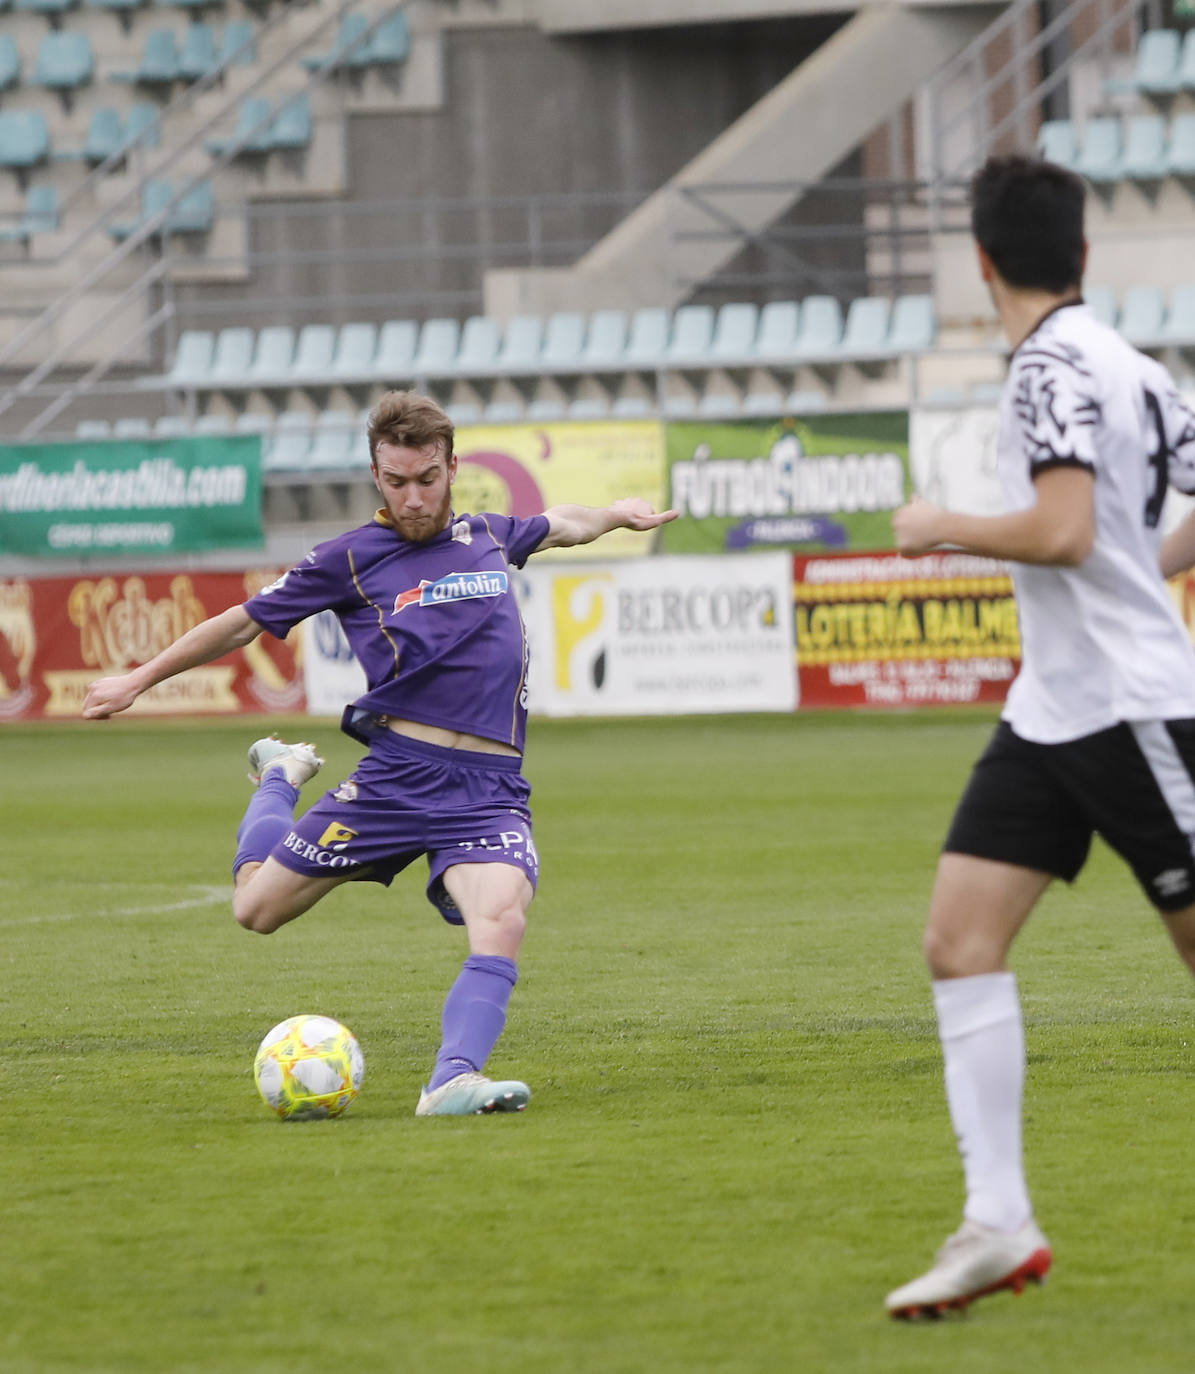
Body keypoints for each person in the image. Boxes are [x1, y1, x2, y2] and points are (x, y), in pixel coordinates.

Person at [82, 389, 677, 1117]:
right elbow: (239, 625)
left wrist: (615, 514)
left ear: (452, 467)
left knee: (502, 920)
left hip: (486, 789)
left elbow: (563, 525)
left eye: (427, 479)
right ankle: (278, 778)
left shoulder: (487, 533)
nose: (414, 497)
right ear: (376, 476)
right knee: (254, 910)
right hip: (397, 780)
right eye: (396, 482)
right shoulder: (349, 559)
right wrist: (140, 679)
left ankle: (451, 1080)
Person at [885, 154, 1195, 1317]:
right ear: (1080, 252)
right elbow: (1117, 530)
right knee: (958, 943)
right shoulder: (1134, 366)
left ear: (977, 262)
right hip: (1053, 709)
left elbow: (1064, 531)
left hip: (1130, 705)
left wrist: (942, 527)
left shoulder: (1044, 371)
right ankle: (996, 1222)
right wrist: (1132, 563)